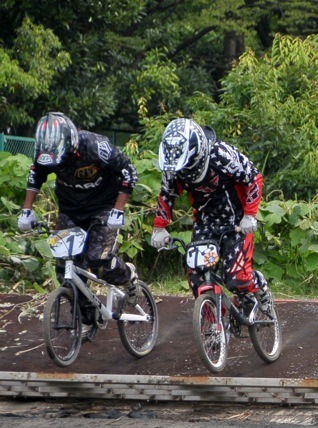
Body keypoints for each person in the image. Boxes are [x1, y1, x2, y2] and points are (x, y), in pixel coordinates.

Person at [18, 112, 140, 324]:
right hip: (70, 210)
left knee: (98, 261)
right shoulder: (43, 152)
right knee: (65, 266)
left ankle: (128, 274)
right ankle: (87, 318)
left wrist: (118, 210)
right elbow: (35, 176)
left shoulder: (96, 147)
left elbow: (129, 172)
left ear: (71, 144)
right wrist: (27, 210)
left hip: (103, 207)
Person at [151, 118, 272, 318]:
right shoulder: (173, 166)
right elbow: (167, 194)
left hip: (237, 222)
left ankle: (260, 288)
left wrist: (250, 214)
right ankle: (214, 327)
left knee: (235, 278)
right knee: (197, 278)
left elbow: (253, 178)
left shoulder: (221, 155)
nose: (183, 172)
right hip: (205, 222)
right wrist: (159, 227)